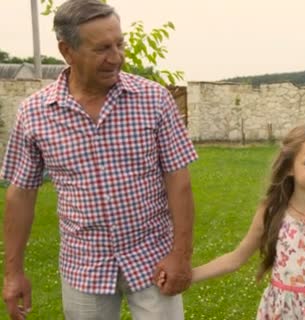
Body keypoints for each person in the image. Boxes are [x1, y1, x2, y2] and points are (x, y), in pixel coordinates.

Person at [1, 0, 198, 319]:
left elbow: (179, 181)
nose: (116, 57)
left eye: (120, 44)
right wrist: (13, 273)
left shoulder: (154, 99)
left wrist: (181, 254)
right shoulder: (34, 114)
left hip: (152, 258)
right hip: (84, 266)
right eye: (102, 48)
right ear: (67, 51)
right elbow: (20, 194)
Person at [158, 125, 305, 319]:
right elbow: (236, 258)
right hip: (282, 311)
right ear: (289, 169)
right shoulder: (271, 212)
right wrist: (190, 275)